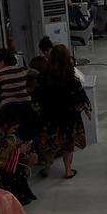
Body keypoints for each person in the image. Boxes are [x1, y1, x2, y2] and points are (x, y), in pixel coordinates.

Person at [36, 44, 90, 178]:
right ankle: (68, 171)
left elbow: (39, 96)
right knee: (68, 143)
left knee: (50, 143)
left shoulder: (45, 76)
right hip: (69, 115)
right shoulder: (72, 75)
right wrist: (87, 109)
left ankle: (47, 170)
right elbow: (80, 94)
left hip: (50, 115)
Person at [0, 111, 36, 205]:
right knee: (17, 173)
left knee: (19, 170)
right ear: (5, 125)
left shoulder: (1, 134)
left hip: (3, 163)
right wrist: (18, 150)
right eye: (14, 128)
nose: (14, 130)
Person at [0, 48, 36, 141]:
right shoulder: (22, 69)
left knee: (13, 134)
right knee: (27, 132)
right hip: (26, 105)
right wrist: (30, 87)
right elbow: (36, 74)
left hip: (9, 107)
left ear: (2, 61)